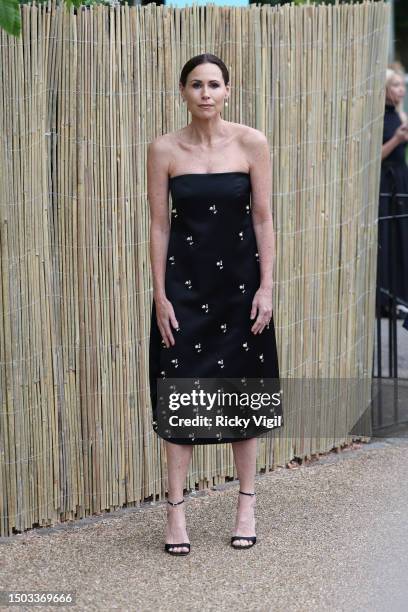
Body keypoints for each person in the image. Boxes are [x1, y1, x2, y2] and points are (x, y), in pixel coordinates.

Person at [147, 54, 282, 556]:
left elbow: (264, 219)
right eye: (196, 85)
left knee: (241, 392)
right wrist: (160, 294)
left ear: (228, 91)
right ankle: (175, 512)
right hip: (183, 287)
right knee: (181, 392)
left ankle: (246, 504)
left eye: (214, 84)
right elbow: (160, 226)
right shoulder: (163, 150)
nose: (205, 93)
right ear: (182, 91)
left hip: (240, 288)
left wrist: (267, 286)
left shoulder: (252, 143)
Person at [377, 68, 408, 317]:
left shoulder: (400, 115)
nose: (401, 90)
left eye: (402, 85)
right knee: (386, 236)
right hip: (385, 183)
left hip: (401, 179)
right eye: (396, 85)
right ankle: (384, 297)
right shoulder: (378, 118)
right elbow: (375, 157)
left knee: (401, 235)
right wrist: (397, 139)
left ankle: (399, 296)